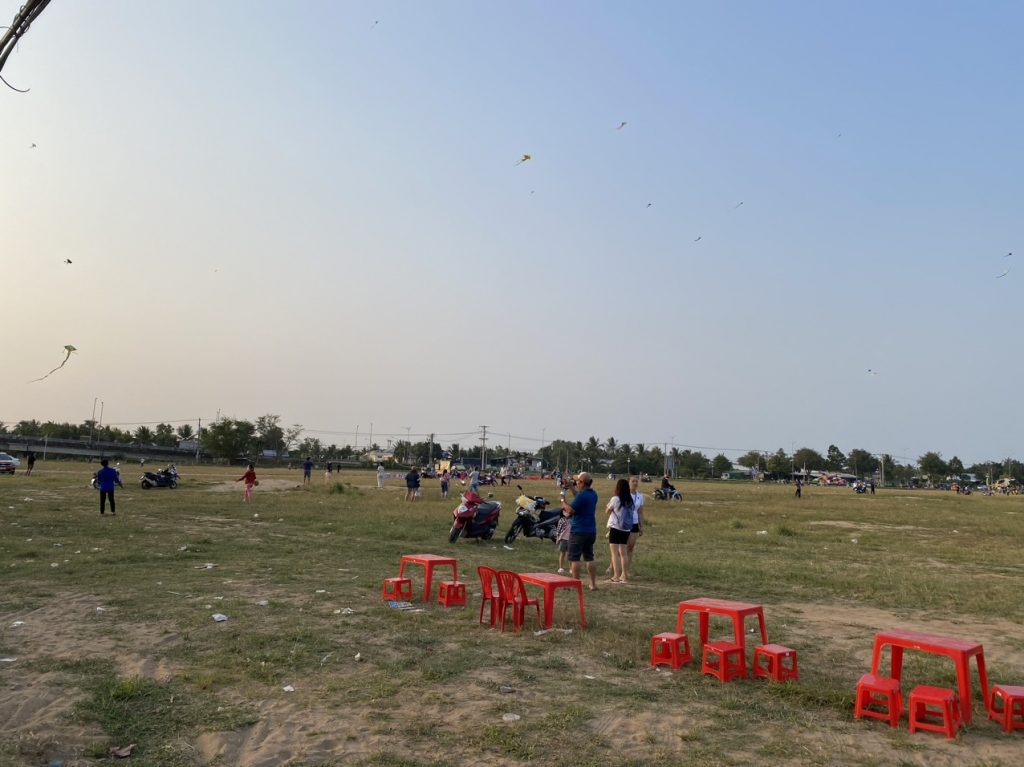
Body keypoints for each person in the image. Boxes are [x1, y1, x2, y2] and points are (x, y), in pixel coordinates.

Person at [561, 471, 598, 591]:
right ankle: (593, 584)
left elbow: (570, 510)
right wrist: (571, 487)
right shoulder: (593, 494)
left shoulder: (582, 496)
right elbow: (579, 497)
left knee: (574, 558)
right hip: (590, 530)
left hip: (578, 530)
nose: (576, 482)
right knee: (589, 557)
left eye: (577, 481)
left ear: (582, 483)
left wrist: (562, 500)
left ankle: (575, 584)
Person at [605, 478, 635, 583]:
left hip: (615, 527)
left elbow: (607, 511)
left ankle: (616, 576)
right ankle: (624, 576)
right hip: (626, 529)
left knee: (614, 554)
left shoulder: (615, 499)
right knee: (624, 553)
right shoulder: (630, 500)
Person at [626, 474, 645, 576]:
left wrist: (641, 526)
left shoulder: (640, 496)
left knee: (630, 547)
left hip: (634, 523)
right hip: (623, 524)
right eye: (633, 481)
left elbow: (640, 512)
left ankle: (626, 570)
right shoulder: (623, 494)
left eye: (637, 481)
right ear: (628, 482)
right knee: (620, 547)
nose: (635, 483)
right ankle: (612, 566)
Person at [554, 507, 571, 573]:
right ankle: (561, 567)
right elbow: (558, 530)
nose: (567, 513)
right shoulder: (561, 520)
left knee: (570, 554)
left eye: (568, 512)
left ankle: (571, 568)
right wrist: (557, 538)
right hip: (563, 539)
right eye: (565, 511)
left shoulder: (573, 519)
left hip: (571, 539)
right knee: (562, 553)